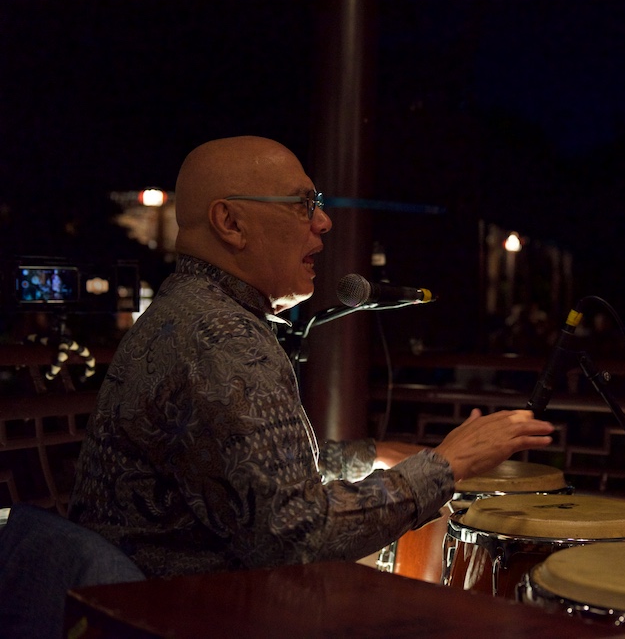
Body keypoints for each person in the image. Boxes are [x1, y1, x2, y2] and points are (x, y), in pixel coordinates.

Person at [68, 135, 554, 578]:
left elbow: (238, 472)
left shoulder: (186, 311)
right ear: (231, 223)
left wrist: (365, 457)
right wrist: (448, 465)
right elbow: (294, 535)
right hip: (183, 616)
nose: (324, 221)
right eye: (305, 205)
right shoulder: (222, 336)